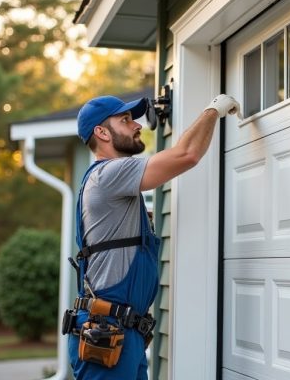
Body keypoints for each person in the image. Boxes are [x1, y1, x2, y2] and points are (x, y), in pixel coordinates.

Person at [65, 93, 240, 379]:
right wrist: (214, 109)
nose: (136, 125)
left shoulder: (115, 182)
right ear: (102, 132)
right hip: (106, 333)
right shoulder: (108, 174)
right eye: (125, 120)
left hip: (123, 332)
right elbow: (187, 154)